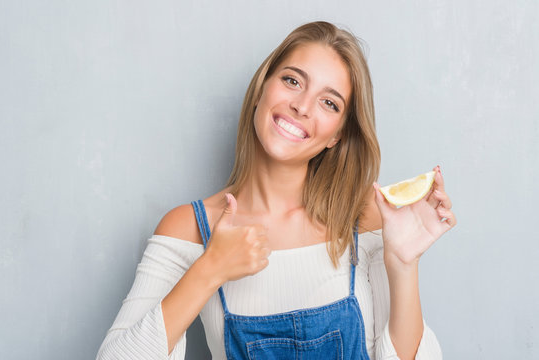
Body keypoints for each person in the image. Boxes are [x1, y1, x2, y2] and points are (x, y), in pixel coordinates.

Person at [96, 21, 456, 360]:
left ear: (337, 136)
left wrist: (403, 265)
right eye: (292, 81)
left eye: (329, 103)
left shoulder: (362, 218)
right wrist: (210, 269)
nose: (301, 106)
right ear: (261, 89)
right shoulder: (190, 227)